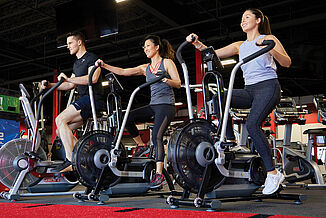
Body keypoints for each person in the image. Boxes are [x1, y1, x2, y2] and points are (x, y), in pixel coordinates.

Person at [186, 8, 291, 195]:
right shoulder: (240, 45)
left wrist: (269, 46)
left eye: (247, 17)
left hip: (268, 87)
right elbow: (211, 53)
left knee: (252, 124)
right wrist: (197, 43)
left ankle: (273, 173)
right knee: (220, 96)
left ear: (258, 20)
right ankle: (231, 140)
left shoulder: (270, 38)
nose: (243, 21)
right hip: (250, 90)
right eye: (241, 18)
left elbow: (286, 62)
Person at [95, 35, 181, 188]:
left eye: (148, 46)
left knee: (156, 136)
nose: (146, 49)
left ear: (157, 47)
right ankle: (141, 145)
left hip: (166, 105)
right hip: (153, 104)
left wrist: (164, 80)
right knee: (124, 117)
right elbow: (123, 71)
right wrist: (104, 66)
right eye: (144, 47)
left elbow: (178, 83)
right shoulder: (145, 68)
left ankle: (159, 174)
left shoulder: (167, 63)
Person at [41, 31, 103, 173]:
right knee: (61, 129)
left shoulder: (91, 58)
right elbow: (69, 85)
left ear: (79, 42)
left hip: (93, 99)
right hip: (84, 101)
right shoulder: (76, 64)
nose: (67, 46)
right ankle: (85, 155)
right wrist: (50, 85)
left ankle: (71, 160)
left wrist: (69, 79)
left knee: (60, 119)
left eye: (70, 43)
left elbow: (92, 79)